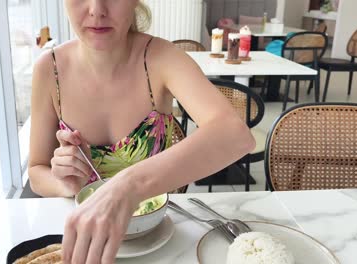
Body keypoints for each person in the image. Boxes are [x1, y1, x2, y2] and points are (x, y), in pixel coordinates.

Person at [28, 0, 255, 263]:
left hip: (157, 239)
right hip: (82, 238)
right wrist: (64, 183)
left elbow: (234, 135)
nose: (97, 10)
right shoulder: (49, 69)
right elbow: (36, 170)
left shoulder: (160, 57)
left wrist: (126, 186)